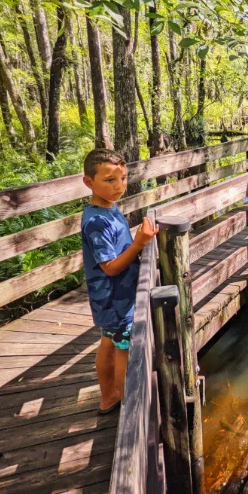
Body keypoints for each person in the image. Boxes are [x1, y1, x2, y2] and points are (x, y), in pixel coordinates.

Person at [81, 148, 158, 414]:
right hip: (115, 300)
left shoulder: (108, 208)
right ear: (89, 182)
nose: (119, 186)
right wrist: (139, 244)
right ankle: (131, 408)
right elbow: (111, 267)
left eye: (123, 179)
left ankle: (109, 396)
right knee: (124, 349)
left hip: (111, 299)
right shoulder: (97, 222)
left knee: (108, 343)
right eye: (110, 180)